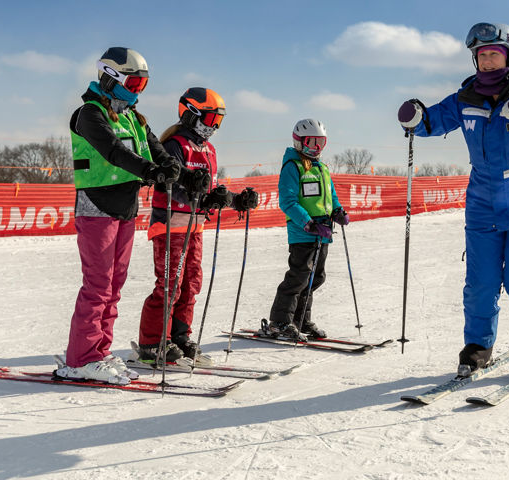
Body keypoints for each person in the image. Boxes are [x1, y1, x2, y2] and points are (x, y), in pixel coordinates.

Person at [397, 23, 509, 378]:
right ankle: (478, 345)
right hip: (482, 205)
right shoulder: (466, 99)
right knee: (479, 282)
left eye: (495, 53)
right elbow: (431, 121)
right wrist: (415, 119)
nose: (488, 61)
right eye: (481, 55)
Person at [57, 47, 194, 384]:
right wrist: (150, 171)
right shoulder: (89, 113)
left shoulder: (134, 117)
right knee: (98, 286)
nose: (137, 91)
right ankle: (80, 359)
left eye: (141, 85)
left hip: (126, 208)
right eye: (132, 83)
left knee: (114, 287)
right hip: (97, 206)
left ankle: (99, 351)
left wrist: (184, 174)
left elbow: (159, 153)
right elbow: (113, 152)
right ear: (111, 77)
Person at [137, 87, 259, 365]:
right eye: (210, 119)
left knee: (191, 283)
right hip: (170, 225)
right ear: (191, 114)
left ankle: (179, 335)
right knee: (169, 285)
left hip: (195, 228)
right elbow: (172, 186)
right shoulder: (174, 145)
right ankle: (153, 342)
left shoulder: (209, 150)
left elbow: (210, 189)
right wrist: (202, 195)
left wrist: (235, 200)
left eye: (218, 121)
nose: (213, 127)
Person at [265, 118, 350, 342]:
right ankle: (280, 322)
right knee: (299, 277)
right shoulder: (293, 167)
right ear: (299, 142)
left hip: (323, 232)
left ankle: (300, 320)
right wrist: (308, 223)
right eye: (312, 141)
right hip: (304, 232)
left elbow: (330, 195)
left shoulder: (322, 167)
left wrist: (337, 211)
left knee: (316, 278)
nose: (316, 147)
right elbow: (288, 201)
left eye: (321, 142)